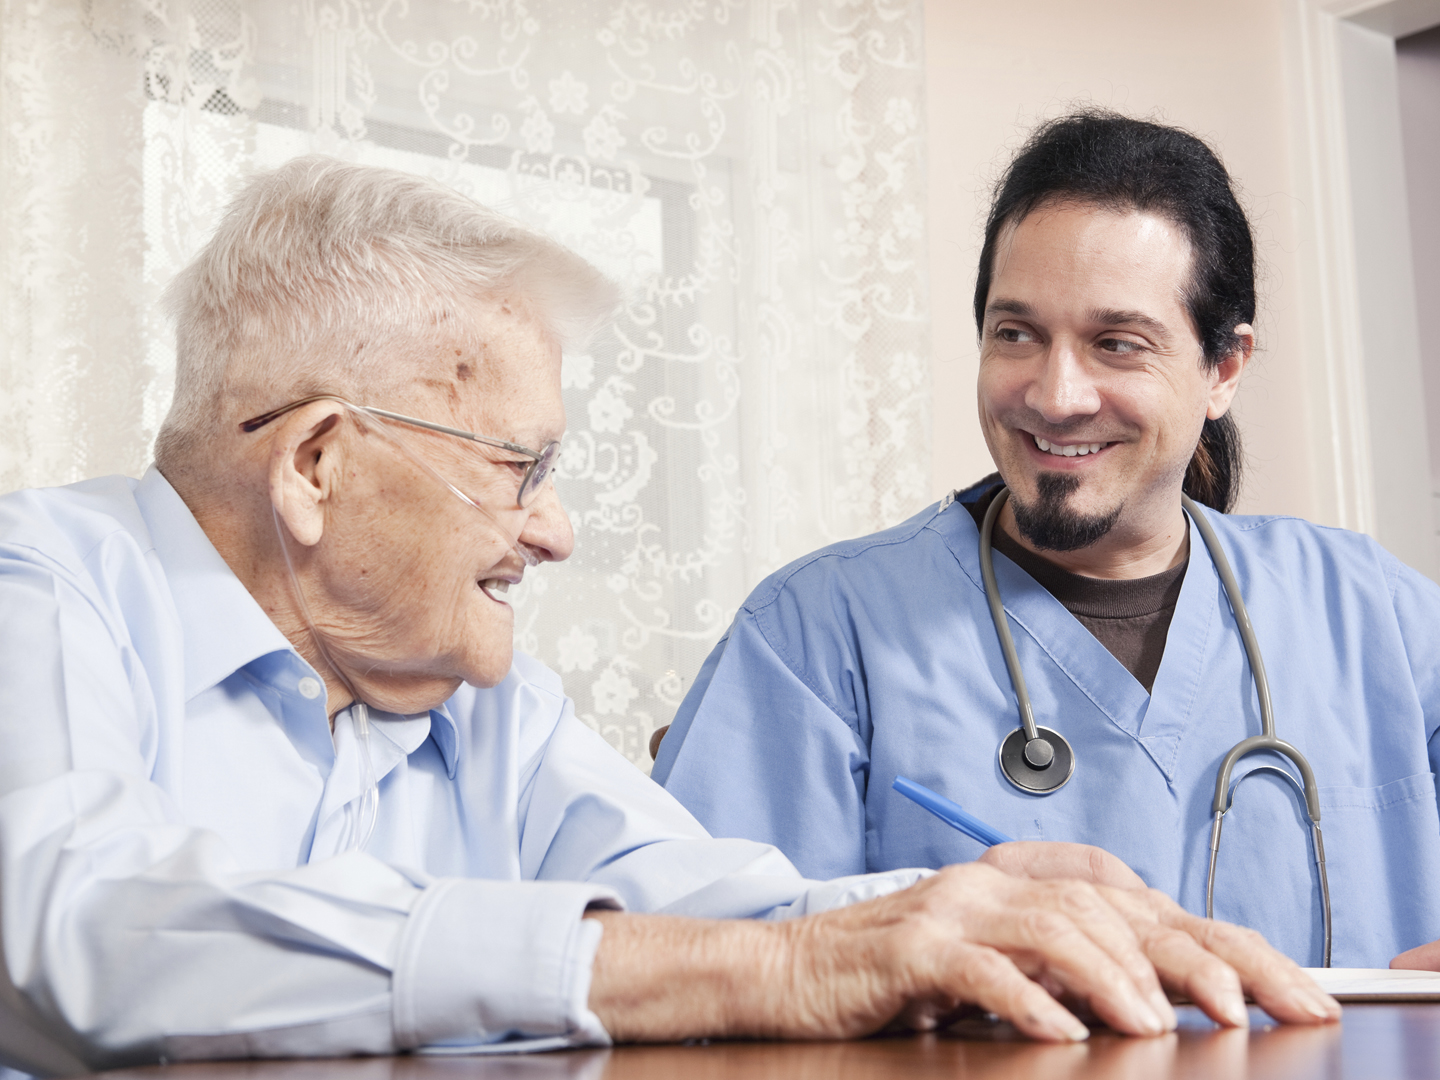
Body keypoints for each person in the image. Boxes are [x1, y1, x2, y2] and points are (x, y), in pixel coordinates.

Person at [0, 156, 1334, 1078]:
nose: (555, 529)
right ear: (315, 466)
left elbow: (723, 912)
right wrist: (781, 972)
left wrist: (954, 915)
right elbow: (93, 931)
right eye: (516, 471)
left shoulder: (477, 698)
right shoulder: (46, 587)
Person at [654, 110, 1440, 974]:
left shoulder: (1379, 616)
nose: (1057, 395)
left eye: (1117, 344)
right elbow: (695, 974)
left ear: (1224, 369)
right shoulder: (815, 638)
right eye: (1017, 333)